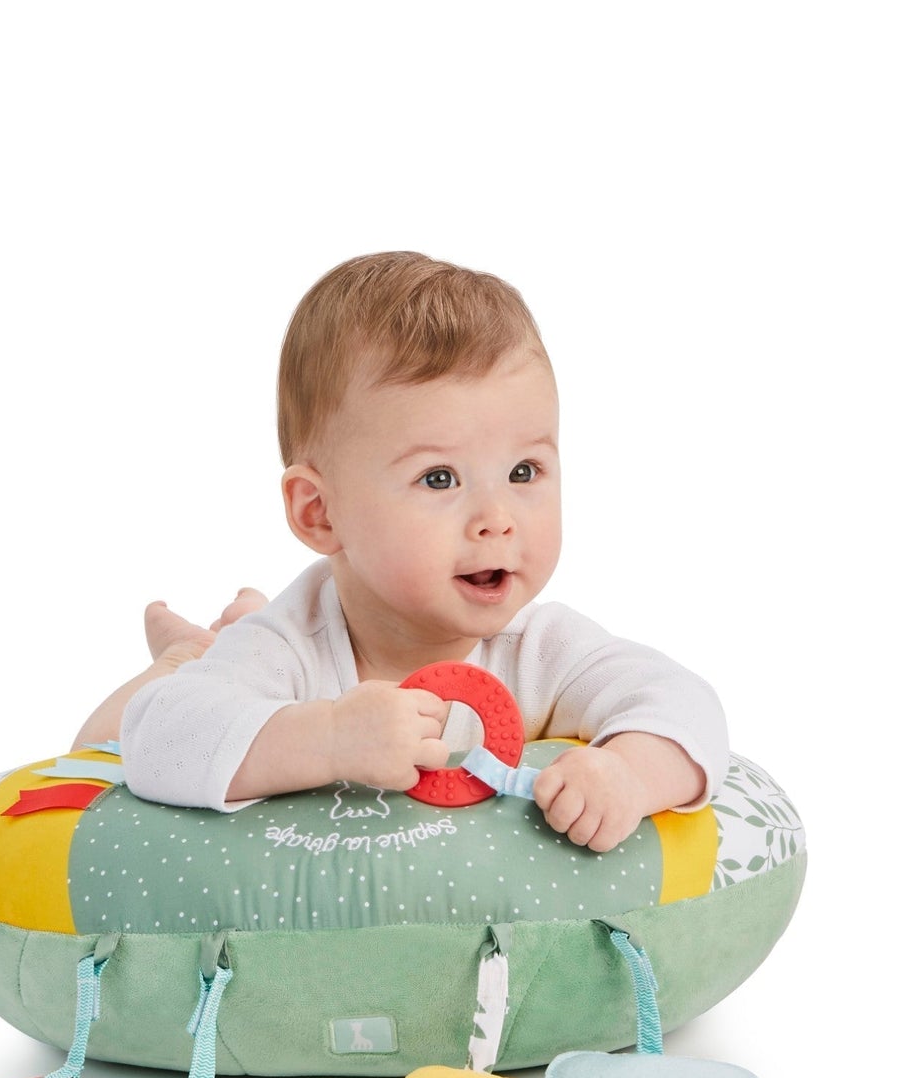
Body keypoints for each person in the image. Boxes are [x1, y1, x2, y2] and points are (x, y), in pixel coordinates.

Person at [80, 251, 727, 855]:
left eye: (524, 471)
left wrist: (628, 773)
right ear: (319, 512)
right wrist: (328, 738)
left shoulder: (541, 649)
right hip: (238, 659)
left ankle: (225, 628)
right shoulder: (288, 648)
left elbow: (687, 704)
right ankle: (188, 650)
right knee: (150, 700)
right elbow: (153, 739)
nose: (497, 519)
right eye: (439, 479)